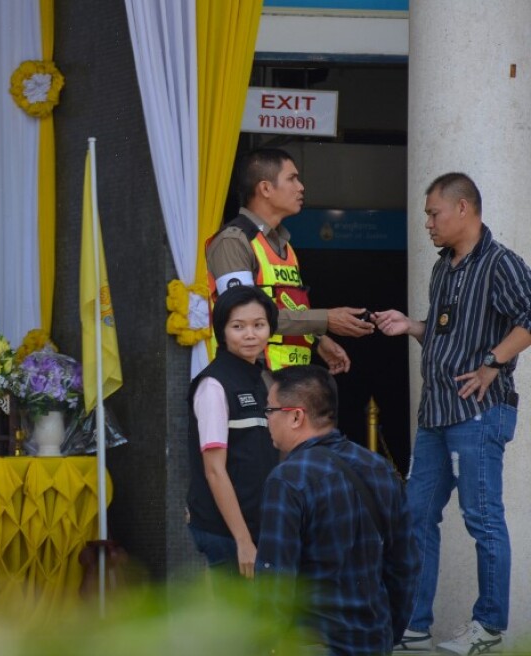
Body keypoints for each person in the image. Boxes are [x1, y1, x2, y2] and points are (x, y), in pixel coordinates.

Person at [372, 172, 531, 655]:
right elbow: (447, 332)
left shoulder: (502, 263)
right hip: (436, 416)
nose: (427, 223)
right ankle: (415, 627)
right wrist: (412, 326)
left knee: (482, 517)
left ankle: (488, 626)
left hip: (478, 415)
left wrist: (491, 364)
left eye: (433, 213)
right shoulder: (444, 266)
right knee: (415, 515)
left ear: (464, 209)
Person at [257, 365, 417, 656]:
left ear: (295, 416)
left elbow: (275, 580)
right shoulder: (378, 467)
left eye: (270, 410)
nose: (266, 419)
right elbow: (405, 563)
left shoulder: (288, 479)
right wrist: (388, 631)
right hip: (374, 639)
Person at [206, 148, 374, 374]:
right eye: (292, 178)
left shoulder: (284, 246)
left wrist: (317, 339)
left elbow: (286, 305)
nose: (301, 187)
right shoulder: (234, 241)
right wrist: (324, 320)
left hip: (287, 381)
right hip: (249, 379)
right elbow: (243, 316)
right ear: (265, 188)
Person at [186, 285, 281, 578]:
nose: (250, 334)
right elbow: (214, 470)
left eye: (259, 325)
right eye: (238, 326)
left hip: (256, 526)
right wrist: (242, 541)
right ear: (222, 331)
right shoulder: (213, 385)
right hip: (225, 533)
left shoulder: (261, 379)